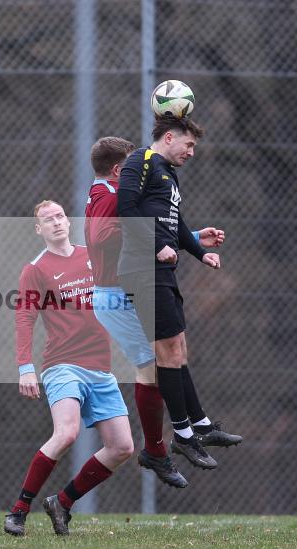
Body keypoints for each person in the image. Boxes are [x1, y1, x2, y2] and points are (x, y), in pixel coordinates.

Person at [85, 136, 230, 487]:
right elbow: (102, 235)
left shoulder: (109, 194)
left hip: (123, 291)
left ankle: (175, 440)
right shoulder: (110, 197)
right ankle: (160, 450)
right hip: (115, 296)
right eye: (134, 166)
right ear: (120, 169)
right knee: (156, 365)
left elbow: (141, 232)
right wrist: (157, 242)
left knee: (168, 357)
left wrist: (189, 237)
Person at [117, 117, 242, 472]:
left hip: (162, 270)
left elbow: (175, 224)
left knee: (178, 348)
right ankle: (184, 435)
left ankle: (199, 424)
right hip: (142, 269)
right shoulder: (139, 162)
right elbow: (125, 212)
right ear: (168, 137)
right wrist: (157, 247)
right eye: (187, 145)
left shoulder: (169, 173)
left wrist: (201, 252)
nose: (190, 152)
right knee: (167, 352)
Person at [4, 200, 134, 537]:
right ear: (39, 229)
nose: (57, 223)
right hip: (62, 365)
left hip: (100, 367)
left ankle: (62, 502)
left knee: (122, 447)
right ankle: (19, 510)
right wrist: (24, 367)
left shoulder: (92, 254)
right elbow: (24, 317)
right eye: (48, 220)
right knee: (67, 432)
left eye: (60, 216)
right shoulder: (36, 268)